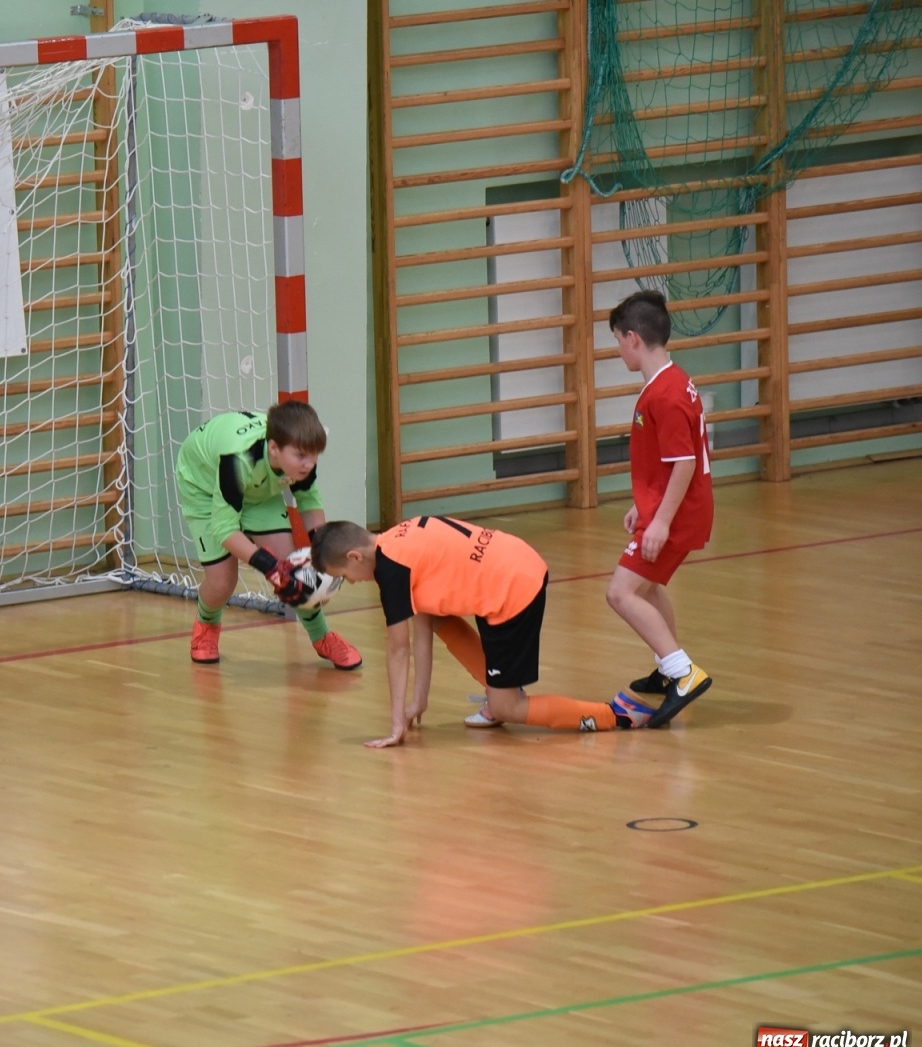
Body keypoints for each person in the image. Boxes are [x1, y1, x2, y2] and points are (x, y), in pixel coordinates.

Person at [310, 517, 639, 747]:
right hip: (514, 561)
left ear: (355, 557)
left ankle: (613, 714)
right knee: (439, 616)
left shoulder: (391, 569)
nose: (351, 581)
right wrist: (417, 702)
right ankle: (498, 688)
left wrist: (396, 725)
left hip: (513, 590)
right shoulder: (398, 538)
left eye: (344, 575)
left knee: (506, 707)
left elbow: (399, 649)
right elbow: (423, 622)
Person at [174, 400, 361, 670]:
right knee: (223, 582)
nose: (309, 464)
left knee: (293, 573)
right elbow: (226, 531)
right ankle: (207, 623)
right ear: (274, 448)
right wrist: (268, 565)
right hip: (202, 486)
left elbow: (309, 501)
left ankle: (322, 637)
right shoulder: (237, 460)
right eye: (301, 457)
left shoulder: (301, 453)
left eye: (314, 456)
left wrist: (324, 550)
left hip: (258, 493)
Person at [604, 290, 713, 728]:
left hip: (680, 513)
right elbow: (668, 461)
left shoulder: (662, 396)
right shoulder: (673, 380)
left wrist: (661, 520)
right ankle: (669, 666)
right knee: (646, 587)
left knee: (620, 592)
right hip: (678, 507)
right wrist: (644, 505)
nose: (617, 350)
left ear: (632, 339)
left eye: (616, 340)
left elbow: (684, 462)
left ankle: (683, 672)